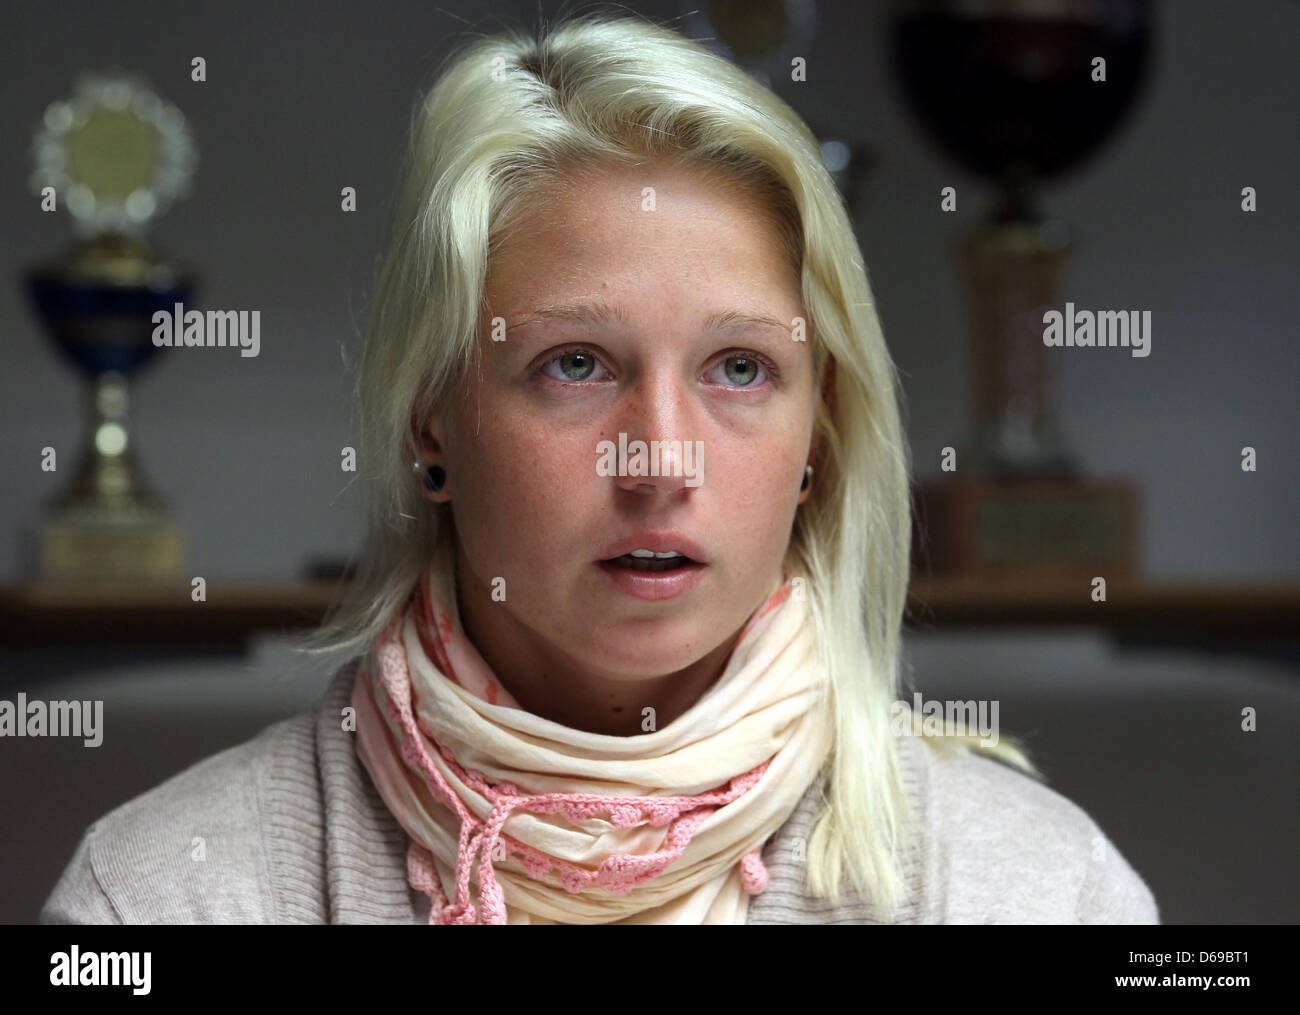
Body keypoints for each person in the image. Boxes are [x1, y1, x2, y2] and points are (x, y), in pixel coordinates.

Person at [40, 14, 1158, 925]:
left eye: (738, 366)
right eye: (574, 363)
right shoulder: (158, 899)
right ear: (430, 416)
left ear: (820, 432)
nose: (660, 457)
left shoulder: (1038, 892)